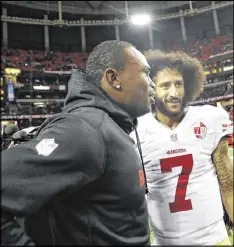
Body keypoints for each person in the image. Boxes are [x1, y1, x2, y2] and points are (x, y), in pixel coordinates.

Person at [1, 40, 156, 245]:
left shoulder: (108, 127)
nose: (152, 83)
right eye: (146, 73)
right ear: (113, 78)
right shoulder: (86, 131)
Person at [131, 50, 233, 245]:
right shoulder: (136, 129)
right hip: (165, 242)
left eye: (179, 84)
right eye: (166, 85)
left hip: (214, 238)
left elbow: (228, 182)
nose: (174, 93)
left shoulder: (209, 118)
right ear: (152, 88)